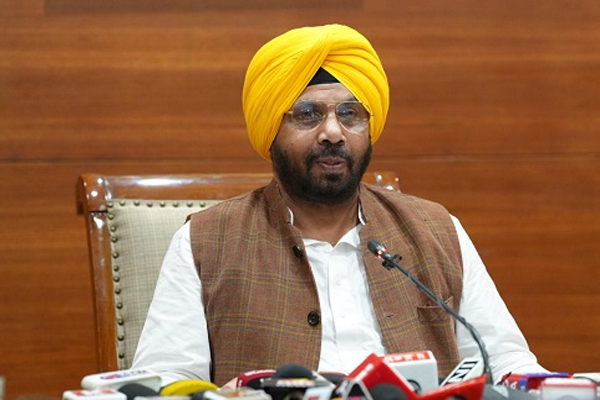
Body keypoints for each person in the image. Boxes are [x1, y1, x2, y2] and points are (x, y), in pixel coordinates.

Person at [131, 23, 547, 387]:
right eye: (307, 114)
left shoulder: (437, 230)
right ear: (271, 130)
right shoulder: (206, 241)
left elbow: (506, 363)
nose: (333, 132)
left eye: (350, 113)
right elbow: (166, 380)